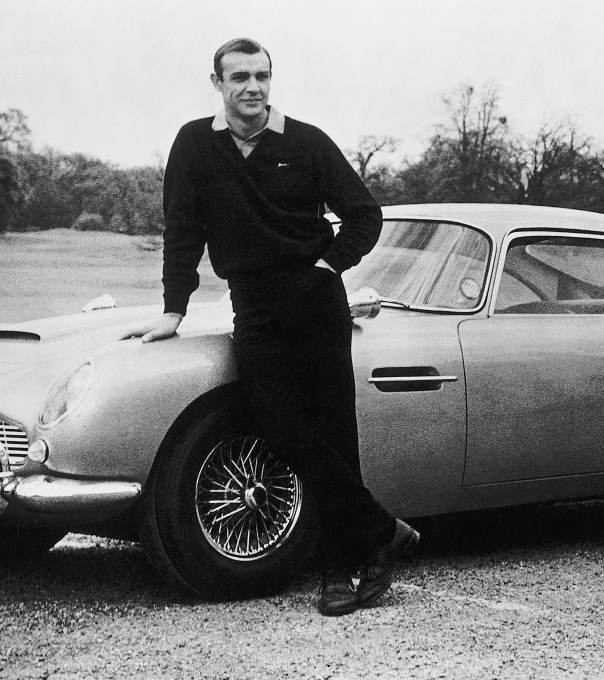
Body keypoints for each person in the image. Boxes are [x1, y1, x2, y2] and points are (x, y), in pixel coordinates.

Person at [122, 38, 418, 616]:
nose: (251, 88)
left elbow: (364, 214)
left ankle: (340, 568)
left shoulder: (304, 141)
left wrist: (327, 264)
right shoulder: (193, 144)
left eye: (261, 76)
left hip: (314, 301)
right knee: (276, 424)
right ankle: (382, 532)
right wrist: (172, 310)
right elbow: (182, 231)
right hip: (253, 304)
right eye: (239, 77)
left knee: (332, 432)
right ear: (217, 83)